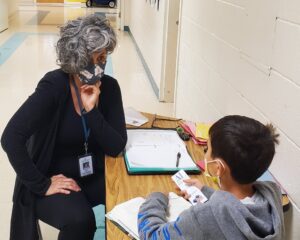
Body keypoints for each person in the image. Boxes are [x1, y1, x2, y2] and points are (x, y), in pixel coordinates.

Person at [1, 14, 127, 240]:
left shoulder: (110, 88)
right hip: (53, 176)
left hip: (92, 173)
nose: (100, 65)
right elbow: (11, 137)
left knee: (128, 195)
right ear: (77, 58)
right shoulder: (54, 86)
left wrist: (92, 112)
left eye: (104, 57)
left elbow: (116, 145)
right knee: (81, 221)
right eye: (95, 57)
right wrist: (42, 184)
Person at [138, 115, 285, 240]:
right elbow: (236, 209)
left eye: (207, 149)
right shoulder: (272, 195)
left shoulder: (203, 217)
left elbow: (152, 235)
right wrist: (205, 191)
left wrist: (156, 198)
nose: (206, 153)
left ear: (217, 167)